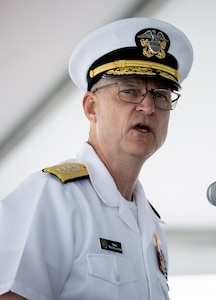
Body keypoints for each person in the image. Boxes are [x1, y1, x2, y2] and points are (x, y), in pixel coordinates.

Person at [0, 17, 193, 300]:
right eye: (130, 90)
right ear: (91, 108)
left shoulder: (151, 226)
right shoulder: (52, 196)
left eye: (161, 94)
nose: (149, 106)